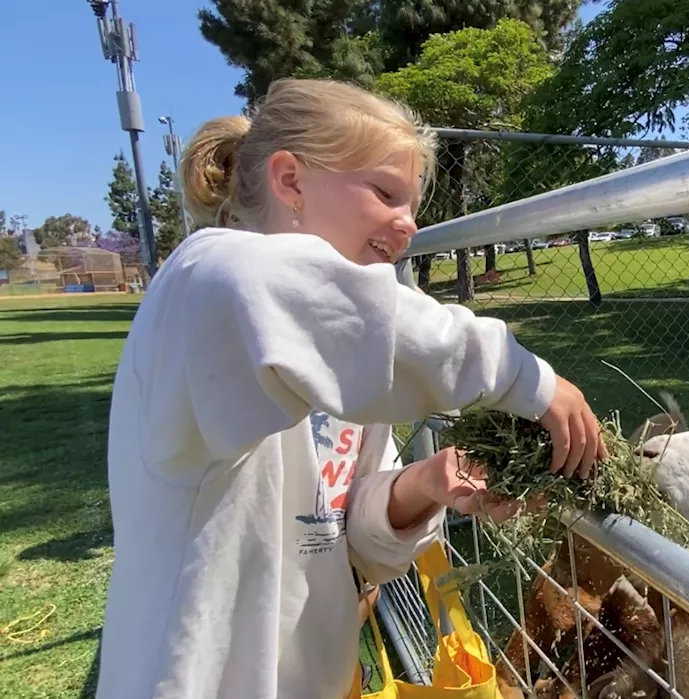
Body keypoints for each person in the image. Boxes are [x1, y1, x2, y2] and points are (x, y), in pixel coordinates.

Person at [95, 78, 607, 699]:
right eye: (385, 192)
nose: (410, 224)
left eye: (413, 204)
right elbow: (362, 316)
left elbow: (351, 540)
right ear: (290, 181)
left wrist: (427, 485)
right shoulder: (206, 281)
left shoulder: (347, 370)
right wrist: (528, 379)